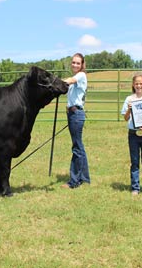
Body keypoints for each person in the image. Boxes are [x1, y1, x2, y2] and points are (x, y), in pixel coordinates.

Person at [61, 53, 90, 189]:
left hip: (76, 113)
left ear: (82, 64)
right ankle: (84, 178)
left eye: (78, 63)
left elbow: (70, 81)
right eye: (73, 62)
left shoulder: (80, 76)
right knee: (79, 146)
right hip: (72, 113)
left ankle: (74, 181)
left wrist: (56, 83)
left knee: (76, 148)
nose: (75, 65)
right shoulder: (76, 77)